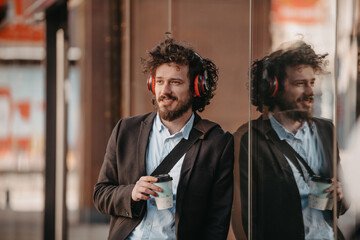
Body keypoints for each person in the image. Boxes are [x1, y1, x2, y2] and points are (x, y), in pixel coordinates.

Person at [93, 38, 234, 240]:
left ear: (197, 88)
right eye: (159, 81)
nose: (165, 90)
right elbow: (100, 195)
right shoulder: (126, 130)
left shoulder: (217, 143)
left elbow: (217, 222)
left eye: (175, 82)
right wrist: (131, 193)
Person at [235, 40, 348, 239]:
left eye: (312, 83)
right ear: (272, 88)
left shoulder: (325, 130)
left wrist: (341, 195)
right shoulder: (249, 140)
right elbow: (244, 221)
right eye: (300, 84)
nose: (310, 92)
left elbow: (341, 208)